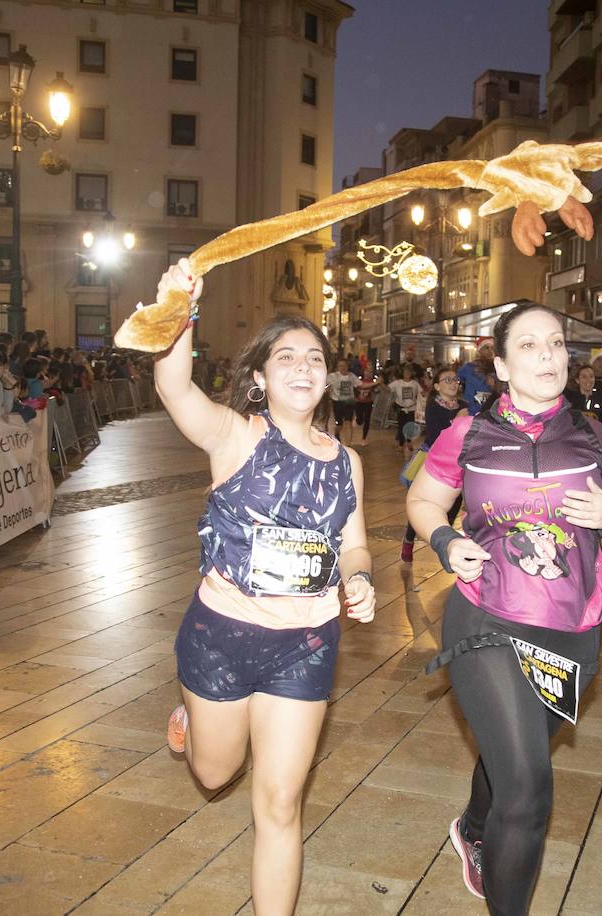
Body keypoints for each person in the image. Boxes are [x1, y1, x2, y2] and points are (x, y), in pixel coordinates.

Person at [406, 302, 602, 915]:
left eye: (557, 344)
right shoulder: (469, 434)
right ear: (504, 365)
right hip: (485, 618)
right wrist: (445, 540)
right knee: (530, 791)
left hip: (573, 630)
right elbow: (424, 500)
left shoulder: (598, 439)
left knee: (517, 756)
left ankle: (474, 826)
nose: (548, 355)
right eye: (530, 345)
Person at [155, 264, 375, 916]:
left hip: (305, 644)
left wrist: (359, 578)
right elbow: (172, 384)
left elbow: (355, 541)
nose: (304, 368)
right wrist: (180, 310)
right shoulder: (234, 435)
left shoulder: (346, 461)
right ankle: (192, 719)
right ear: (260, 377)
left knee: (281, 802)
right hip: (222, 636)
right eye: (286, 358)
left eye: (315, 358)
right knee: (214, 775)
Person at [400, 366, 468, 563]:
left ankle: (444, 541)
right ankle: (409, 539)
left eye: (455, 380)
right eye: (447, 380)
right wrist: (457, 421)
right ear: (437, 386)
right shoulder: (433, 406)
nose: (453, 383)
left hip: (458, 462)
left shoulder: (464, 404)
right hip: (434, 461)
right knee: (425, 502)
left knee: (454, 503)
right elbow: (436, 435)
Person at [458, 336, 496, 415]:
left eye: (492, 348)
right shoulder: (469, 368)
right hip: (471, 413)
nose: (490, 351)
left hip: (491, 414)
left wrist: (495, 385)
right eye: (486, 348)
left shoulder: (498, 369)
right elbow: (455, 383)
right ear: (479, 351)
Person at [389, 364, 421, 455]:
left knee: (410, 426)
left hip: (411, 408)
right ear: (402, 373)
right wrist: (379, 384)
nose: (407, 374)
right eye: (405, 372)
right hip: (401, 408)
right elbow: (388, 388)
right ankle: (401, 444)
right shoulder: (397, 383)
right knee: (401, 427)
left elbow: (422, 392)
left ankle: (409, 441)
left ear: (411, 373)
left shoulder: (415, 383)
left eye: (409, 372)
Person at [326, 357, 358, 440]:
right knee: (339, 424)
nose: (343, 368)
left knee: (348, 422)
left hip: (349, 402)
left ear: (348, 366)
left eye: (344, 365)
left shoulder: (352, 376)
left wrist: (376, 383)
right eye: (340, 366)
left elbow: (361, 384)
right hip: (337, 403)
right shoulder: (332, 376)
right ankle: (336, 433)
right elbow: (323, 384)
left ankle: (348, 445)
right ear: (337, 367)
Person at [353, 369, 377, 442]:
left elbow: (377, 390)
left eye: (370, 373)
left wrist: (375, 390)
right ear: (364, 373)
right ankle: (357, 419)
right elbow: (354, 389)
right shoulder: (359, 381)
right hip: (359, 402)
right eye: (366, 373)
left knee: (367, 419)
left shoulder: (373, 383)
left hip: (368, 403)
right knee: (360, 421)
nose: (368, 375)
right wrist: (357, 396)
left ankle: (364, 438)